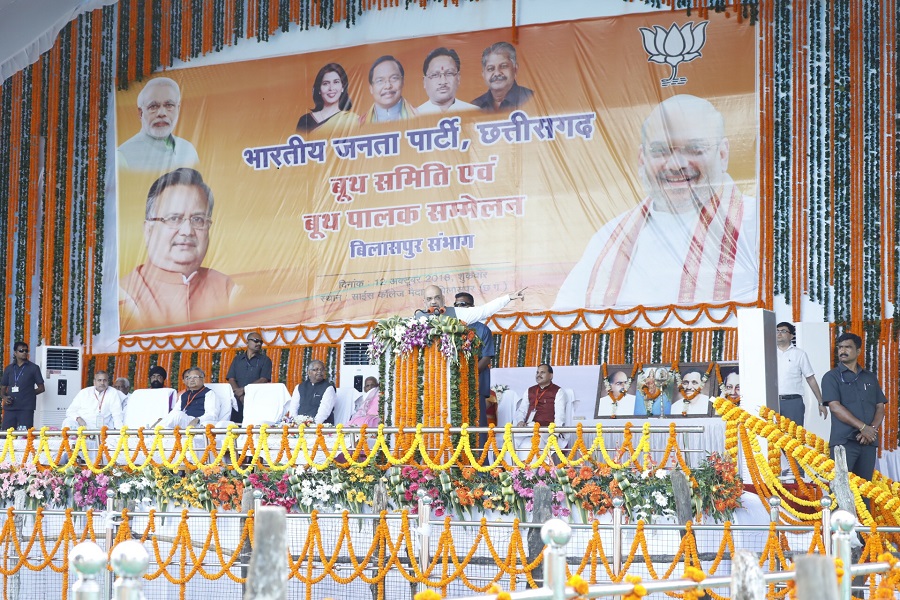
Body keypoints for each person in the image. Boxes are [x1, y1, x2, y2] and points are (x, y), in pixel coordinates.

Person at [554, 94, 759, 309]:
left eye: (694, 149)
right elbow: (565, 318)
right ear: (642, 159)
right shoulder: (608, 239)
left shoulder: (757, 225)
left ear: (723, 154)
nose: (676, 165)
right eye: (661, 151)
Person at [119, 168, 236, 331]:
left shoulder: (228, 290)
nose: (187, 230)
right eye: (174, 218)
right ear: (148, 230)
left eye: (198, 219)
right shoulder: (123, 296)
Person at [821, 332, 886, 483]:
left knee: (865, 490)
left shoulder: (869, 377)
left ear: (858, 351)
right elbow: (835, 407)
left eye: (848, 347)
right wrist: (863, 427)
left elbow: (880, 407)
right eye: (840, 347)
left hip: (868, 442)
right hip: (844, 443)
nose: (842, 351)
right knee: (841, 489)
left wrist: (871, 429)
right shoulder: (831, 377)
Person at [116, 77, 200, 172]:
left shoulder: (188, 150)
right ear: (140, 113)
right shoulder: (123, 156)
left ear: (178, 109)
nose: (161, 113)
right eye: (153, 106)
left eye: (169, 105)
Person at [453, 292, 495, 442]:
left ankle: (480, 463)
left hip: (475, 385)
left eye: (463, 304)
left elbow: (486, 357)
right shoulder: (451, 329)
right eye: (456, 305)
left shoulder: (482, 330)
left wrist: (467, 375)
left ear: (472, 307)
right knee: (455, 427)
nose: (459, 307)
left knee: (477, 427)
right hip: (453, 387)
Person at [776, 321, 826, 426]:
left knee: (795, 438)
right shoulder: (768, 353)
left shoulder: (799, 354)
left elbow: (810, 379)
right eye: (777, 331)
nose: (779, 333)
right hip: (772, 402)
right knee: (772, 437)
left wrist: (820, 402)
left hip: (793, 402)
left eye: (783, 331)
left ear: (791, 336)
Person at [471, 42, 534, 113]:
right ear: (483, 74)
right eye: (490, 68)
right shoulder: (475, 106)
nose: (497, 73)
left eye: (503, 66)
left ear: (515, 69)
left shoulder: (532, 98)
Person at [296, 63, 359, 133]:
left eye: (336, 82)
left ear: (343, 87)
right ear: (319, 89)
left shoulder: (351, 120)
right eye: (325, 83)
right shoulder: (306, 121)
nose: (331, 88)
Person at [226, 333, 273, 423]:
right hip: (237, 399)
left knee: (253, 425)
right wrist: (239, 394)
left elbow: (263, 379)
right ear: (247, 342)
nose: (259, 344)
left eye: (261, 342)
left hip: (256, 399)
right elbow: (231, 378)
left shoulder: (265, 360)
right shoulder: (238, 359)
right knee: (235, 425)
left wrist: (244, 390)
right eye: (256, 341)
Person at [416, 285, 525, 323]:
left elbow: (484, 310)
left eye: (437, 297)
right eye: (429, 299)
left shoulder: (456, 313)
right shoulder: (417, 319)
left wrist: (508, 297)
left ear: (443, 299)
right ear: (424, 302)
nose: (433, 302)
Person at [359, 55, 418, 125]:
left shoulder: (420, 115)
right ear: (371, 88)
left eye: (394, 78)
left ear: (402, 82)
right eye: (380, 80)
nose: (388, 86)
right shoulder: (358, 124)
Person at [417, 47, 478, 115]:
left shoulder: (475, 112)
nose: (443, 82)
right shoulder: (413, 116)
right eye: (435, 75)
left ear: (458, 78)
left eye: (449, 73)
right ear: (424, 81)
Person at [0, 342, 45, 430]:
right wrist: (4, 397)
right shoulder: (9, 368)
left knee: (25, 435)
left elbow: (41, 388)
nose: (24, 352)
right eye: (21, 350)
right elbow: (3, 388)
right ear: (15, 353)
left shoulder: (34, 368)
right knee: (6, 434)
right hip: (10, 408)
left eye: (26, 351)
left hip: (26, 408)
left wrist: (29, 394)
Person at [288, 360, 336, 425]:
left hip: (320, 427)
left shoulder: (328, 388)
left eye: (322, 370)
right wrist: (294, 423)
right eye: (316, 369)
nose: (319, 372)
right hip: (299, 426)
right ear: (309, 372)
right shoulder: (300, 387)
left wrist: (312, 425)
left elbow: (324, 412)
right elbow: (293, 408)